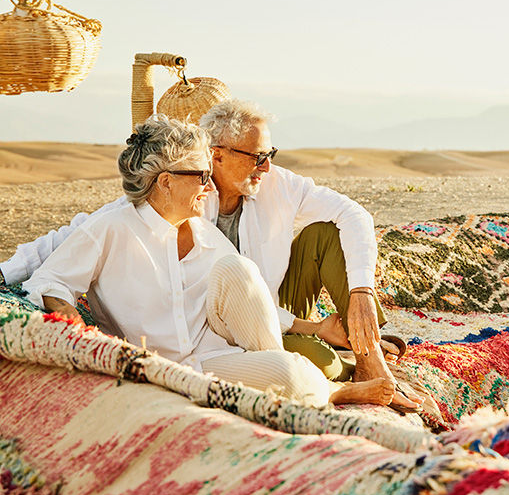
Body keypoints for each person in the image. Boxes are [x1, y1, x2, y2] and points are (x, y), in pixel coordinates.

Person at [2, 99, 421, 412]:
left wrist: (319, 323)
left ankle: (329, 368)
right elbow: (51, 274)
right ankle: (333, 390)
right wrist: (72, 325)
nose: (208, 186)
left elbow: (252, 295)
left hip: (224, 350)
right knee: (294, 372)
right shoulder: (112, 227)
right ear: (165, 183)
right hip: (165, 365)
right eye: (201, 176)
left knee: (239, 270)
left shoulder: (204, 230)